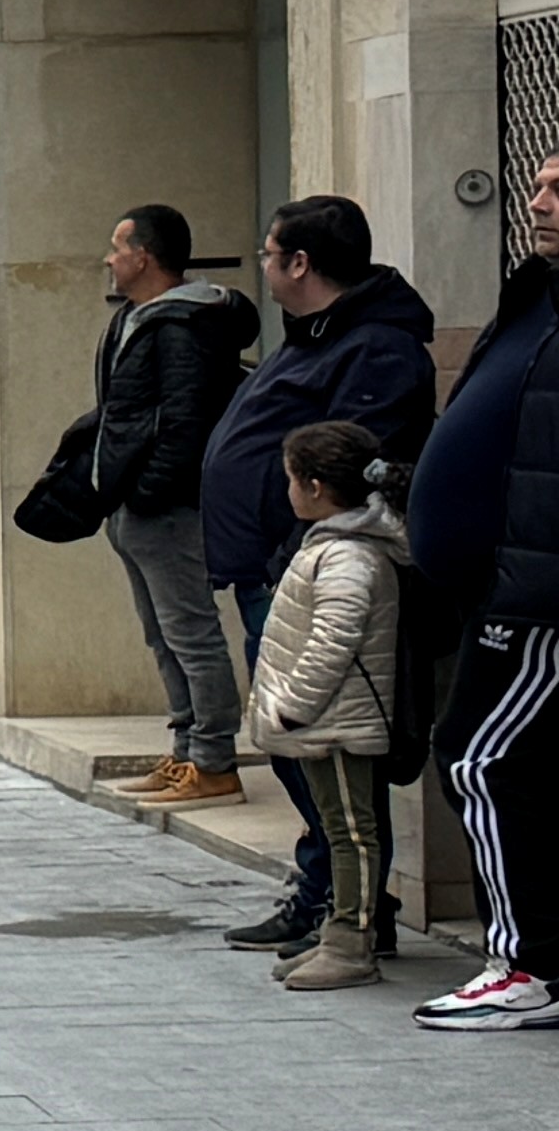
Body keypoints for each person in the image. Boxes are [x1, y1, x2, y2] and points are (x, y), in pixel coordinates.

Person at [206, 196, 442, 955]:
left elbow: (349, 464)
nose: (265, 266)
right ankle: (324, 893)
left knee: (318, 743)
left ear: (300, 263)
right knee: (291, 739)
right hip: (276, 573)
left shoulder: (375, 347)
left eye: (270, 253)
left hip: (311, 577)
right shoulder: (314, 337)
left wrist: (288, 553)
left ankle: (344, 908)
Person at [413, 150, 559, 1027]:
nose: (537, 200)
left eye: (557, 187)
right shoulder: (537, 293)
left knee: (479, 755)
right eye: (538, 184)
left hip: (537, 601)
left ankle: (523, 965)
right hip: (507, 591)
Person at [89, 204, 257, 804]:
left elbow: (185, 424)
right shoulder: (138, 320)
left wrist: (148, 490)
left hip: (167, 508)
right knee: (162, 634)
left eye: (117, 246)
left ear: (145, 256)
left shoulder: (182, 325)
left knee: (190, 632)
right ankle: (186, 749)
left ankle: (213, 760)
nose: (109, 259)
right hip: (135, 509)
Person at [243, 422, 409, 993]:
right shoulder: (333, 544)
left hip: (336, 721)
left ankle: (351, 944)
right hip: (327, 718)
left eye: (289, 478)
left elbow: (332, 642)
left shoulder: (347, 556)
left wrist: (294, 708)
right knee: (342, 830)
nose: (285, 489)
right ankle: (339, 934)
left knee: (353, 835)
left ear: (314, 487)